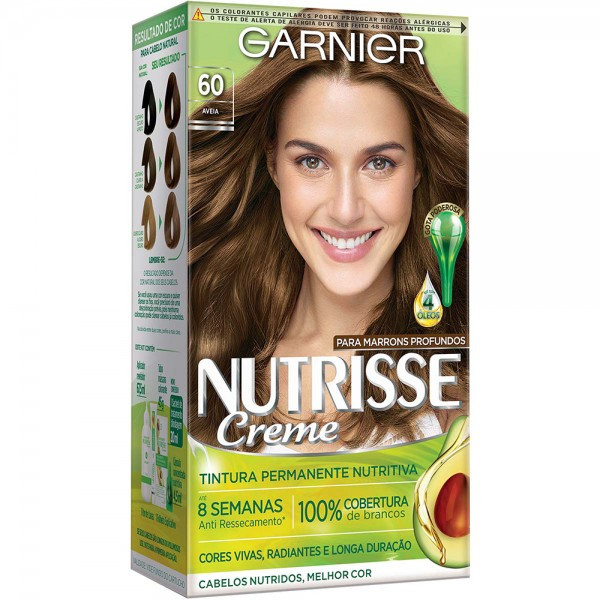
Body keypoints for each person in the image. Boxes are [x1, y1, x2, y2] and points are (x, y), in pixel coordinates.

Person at [188, 14, 468, 453]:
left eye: (379, 163)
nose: (345, 209)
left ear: (417, 168)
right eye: (312, 162)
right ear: (273, 165)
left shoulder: (457, 386)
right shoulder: (205, 360)